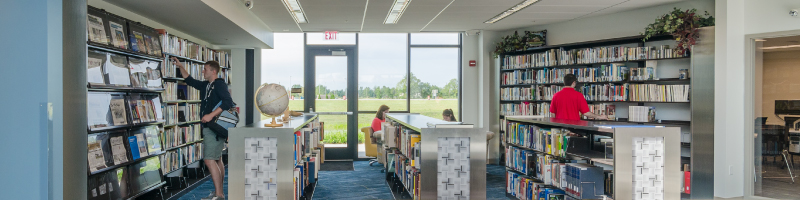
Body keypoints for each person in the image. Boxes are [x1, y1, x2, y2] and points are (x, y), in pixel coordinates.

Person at [171, 57, 232, 200]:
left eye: (205, 69)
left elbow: (228, 102)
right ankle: (219, 192)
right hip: (213, 127)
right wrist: (180, 66)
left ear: (213, 71)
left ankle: (219, 194)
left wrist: (210, 115)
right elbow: (190, 80)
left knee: (209, 159)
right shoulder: (207, 85)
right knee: (217, 159)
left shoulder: (218, 85)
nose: (202, 71)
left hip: (214, 127)